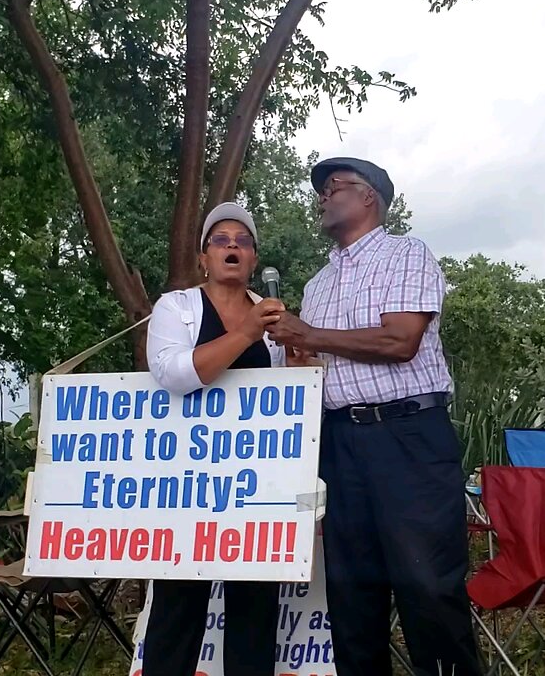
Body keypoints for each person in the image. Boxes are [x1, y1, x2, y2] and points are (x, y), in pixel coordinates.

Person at [265, 157, 482, 676]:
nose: (322, 196)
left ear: (369, 198)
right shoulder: (317, 285)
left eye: (333, 187)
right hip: (341, 444)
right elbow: (315, 362)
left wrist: (306, 335)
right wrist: (290, 352)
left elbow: (399, 340)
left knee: (427, 587)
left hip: (408, 437)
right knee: (351, 593)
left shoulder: (406, 253)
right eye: (320, 190)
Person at [142, 202, 286, 676]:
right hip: (187, 491)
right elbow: (171, 374)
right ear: (203, 257)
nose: (232, 247)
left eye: (242, 242)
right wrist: (244, 332)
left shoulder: (272, 323)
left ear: (252, 259)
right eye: (221, 240)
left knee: (254, 620)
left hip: (255, 491)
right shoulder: (176, 307)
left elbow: (289, 406)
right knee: (176, 618)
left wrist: (302, 360)